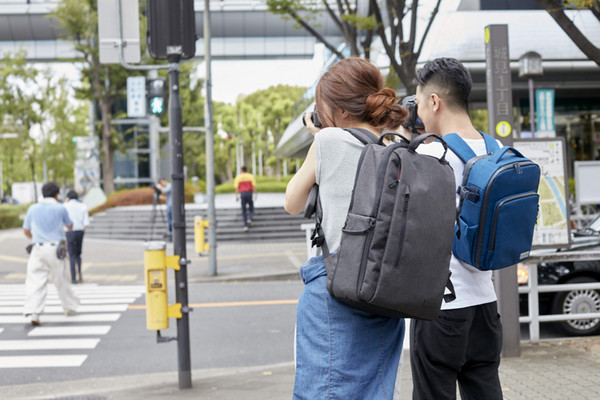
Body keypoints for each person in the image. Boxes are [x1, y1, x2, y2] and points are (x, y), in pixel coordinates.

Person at [284, 57, 409, 399]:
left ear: (336, 110)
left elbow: (292, 201)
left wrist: (320, 140)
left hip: (336, 290)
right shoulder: (397, 145)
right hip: (386, 294)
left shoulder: (328, 142)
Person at [409, 57, 503, 399]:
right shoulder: (497, 151)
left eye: (419, 103)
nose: (417, 113)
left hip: (442, 307)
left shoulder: (433, 154)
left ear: (435, 101)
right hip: (486, 306)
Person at [22, 182, 79, 326]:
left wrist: (33, 237)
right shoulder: (60, 208)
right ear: (56, 194)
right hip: (56, 249)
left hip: (38, 248)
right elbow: (70, 225)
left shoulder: (33, 209)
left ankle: (34, 312)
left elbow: (26, 230)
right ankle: (69, 307)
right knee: (61, 279)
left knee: (35, 281)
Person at [64, 190, 90, 284]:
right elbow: (86, 222)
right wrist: (82, 230)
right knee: (78, 254)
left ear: (68, 198)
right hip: (80, 231)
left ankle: (73, 278)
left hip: (69, 232)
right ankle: (80, 275)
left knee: (71, 254)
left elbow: (63, 222)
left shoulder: (65, 206)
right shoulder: (83, 206)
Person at [234, 166, 257, 232]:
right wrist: (255, 195)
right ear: (247, 169)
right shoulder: (250, 176)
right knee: (251, 207)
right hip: (249, 193)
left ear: (241, 170)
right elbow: (254, 186)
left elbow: (236, 188)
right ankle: (249, 218)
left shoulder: (238, 177)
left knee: (244, 210)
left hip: (242, 194)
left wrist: (236, 196)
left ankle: (245, 226)